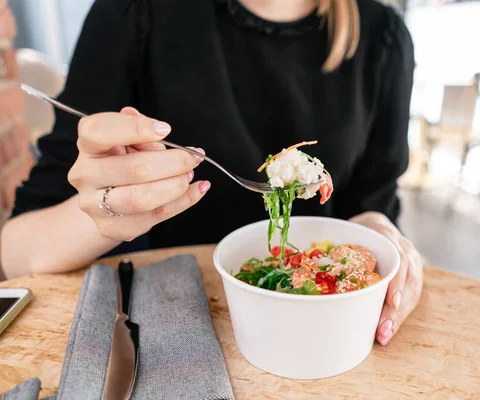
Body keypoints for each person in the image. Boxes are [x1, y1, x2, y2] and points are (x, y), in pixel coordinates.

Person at [0, 0, 422, 346]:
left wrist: (383, 234)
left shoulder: (384, 36)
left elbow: (371, 205)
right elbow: (17, 252)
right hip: (163, 333)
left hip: (321, 334)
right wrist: (108, 212)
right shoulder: (133, 13)